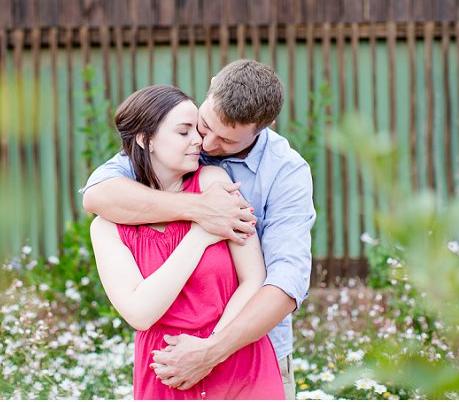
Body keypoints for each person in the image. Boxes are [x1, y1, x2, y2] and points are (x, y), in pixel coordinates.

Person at [82, 60, 315, 399]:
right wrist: (200, 214)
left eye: (226, 140)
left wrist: (210, 351)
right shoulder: (172, 137)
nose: (205, 145)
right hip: (170, 364)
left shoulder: (285, 172)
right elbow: (97, 194)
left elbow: (284, 283)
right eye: (204, 126)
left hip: (250, 352)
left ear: (263, 128)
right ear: (211, 86)